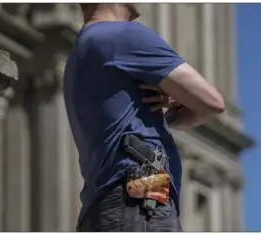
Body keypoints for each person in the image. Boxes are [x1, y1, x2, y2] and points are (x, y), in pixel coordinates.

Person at [63, 3, 225, 232]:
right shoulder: (126, 35)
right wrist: (176, 111)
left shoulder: (82, 50)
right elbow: (212, 103)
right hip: (141, 197)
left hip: (103, 208)